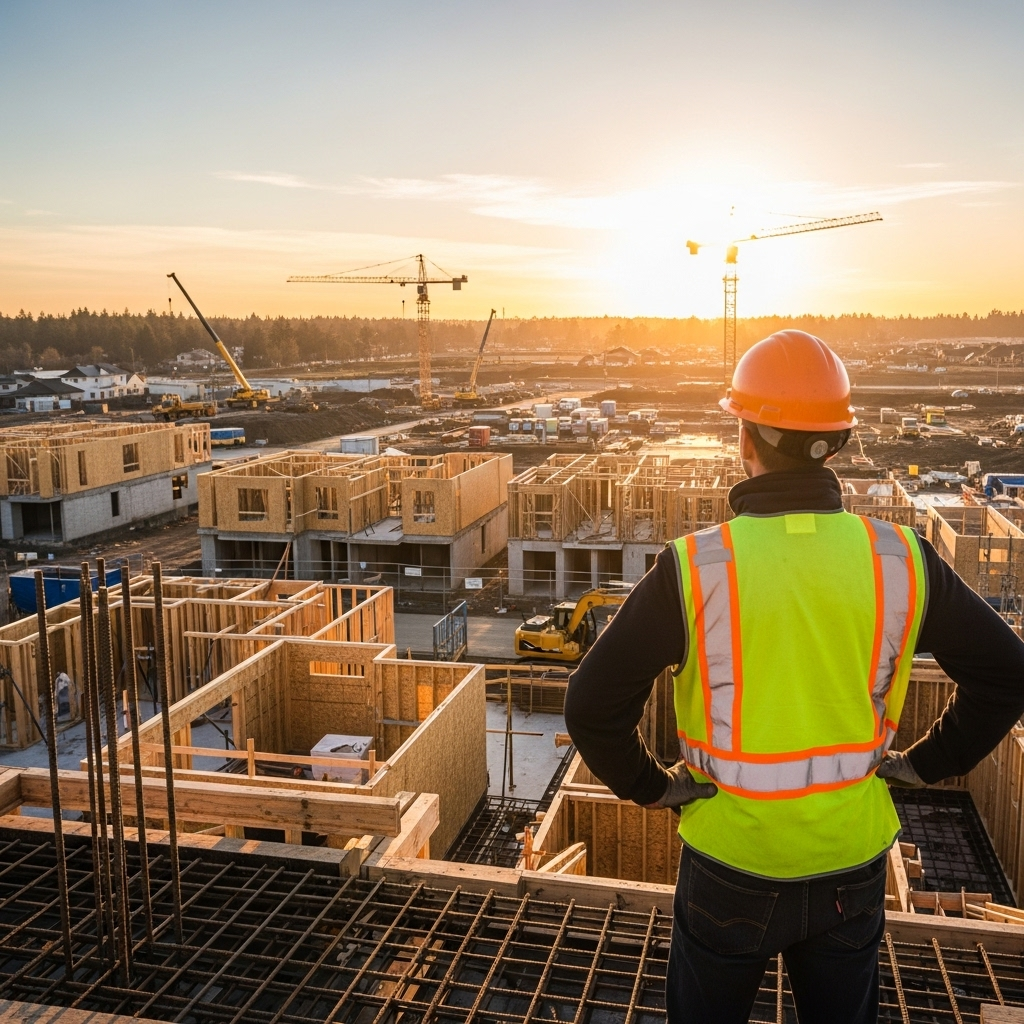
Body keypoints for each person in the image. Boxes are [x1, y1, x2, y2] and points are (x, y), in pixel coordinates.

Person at [564, 329, 1024, 1024]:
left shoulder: (694, 568)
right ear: (835, 445)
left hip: (730, 864)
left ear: (744, 436)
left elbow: (591, 704)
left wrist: (652, 786)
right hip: (850, 862)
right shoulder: (901, 558)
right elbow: (1006, 674)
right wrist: (928, 764)